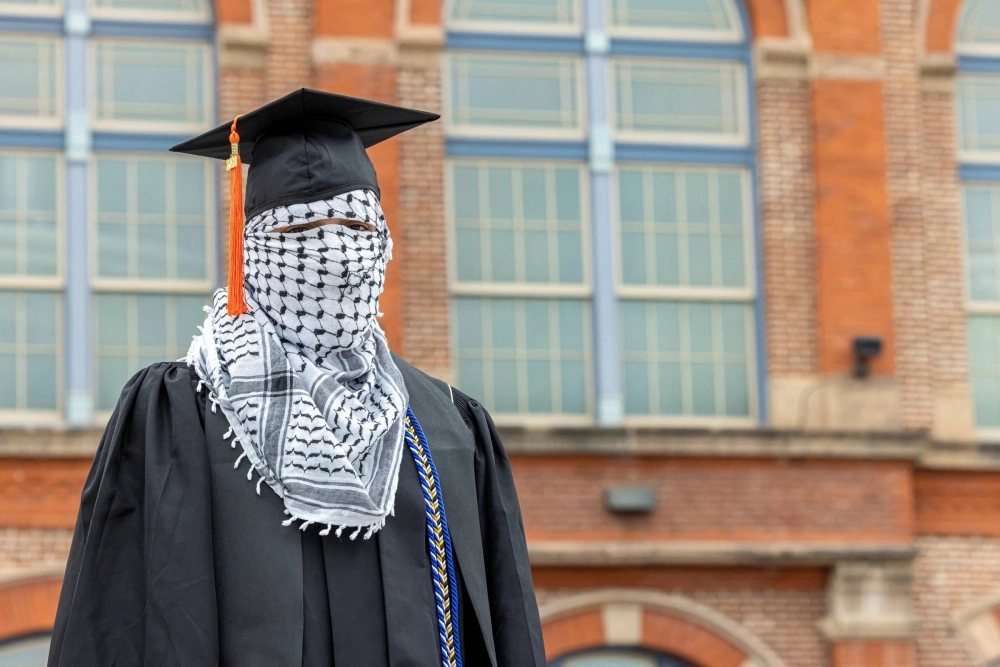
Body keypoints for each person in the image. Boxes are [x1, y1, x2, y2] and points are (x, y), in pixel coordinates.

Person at [48, 88, 546, 667]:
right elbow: (115, 628)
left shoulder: (450, 426)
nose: (334, 254)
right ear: (251, 249)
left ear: (383, 243)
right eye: (299, 233)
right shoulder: (177, 416)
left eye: (356, 230)